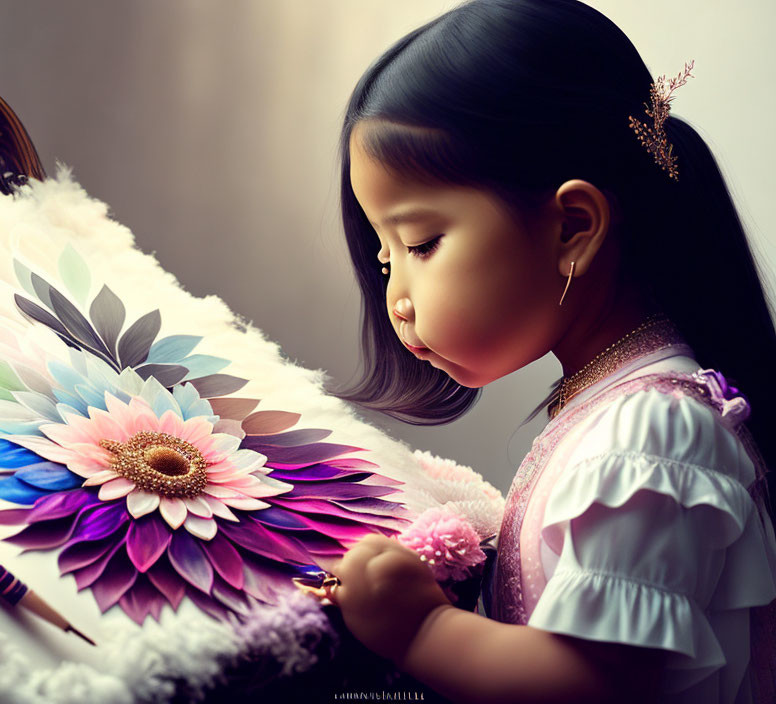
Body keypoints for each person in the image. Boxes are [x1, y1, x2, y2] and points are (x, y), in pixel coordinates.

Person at [319, 1, 776, 702]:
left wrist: (419, 631)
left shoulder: (651, 433)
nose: (397, 298)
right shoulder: (612, 407)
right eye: (386, 260)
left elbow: (591, 682)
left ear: (573, 226)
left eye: (419, 245)